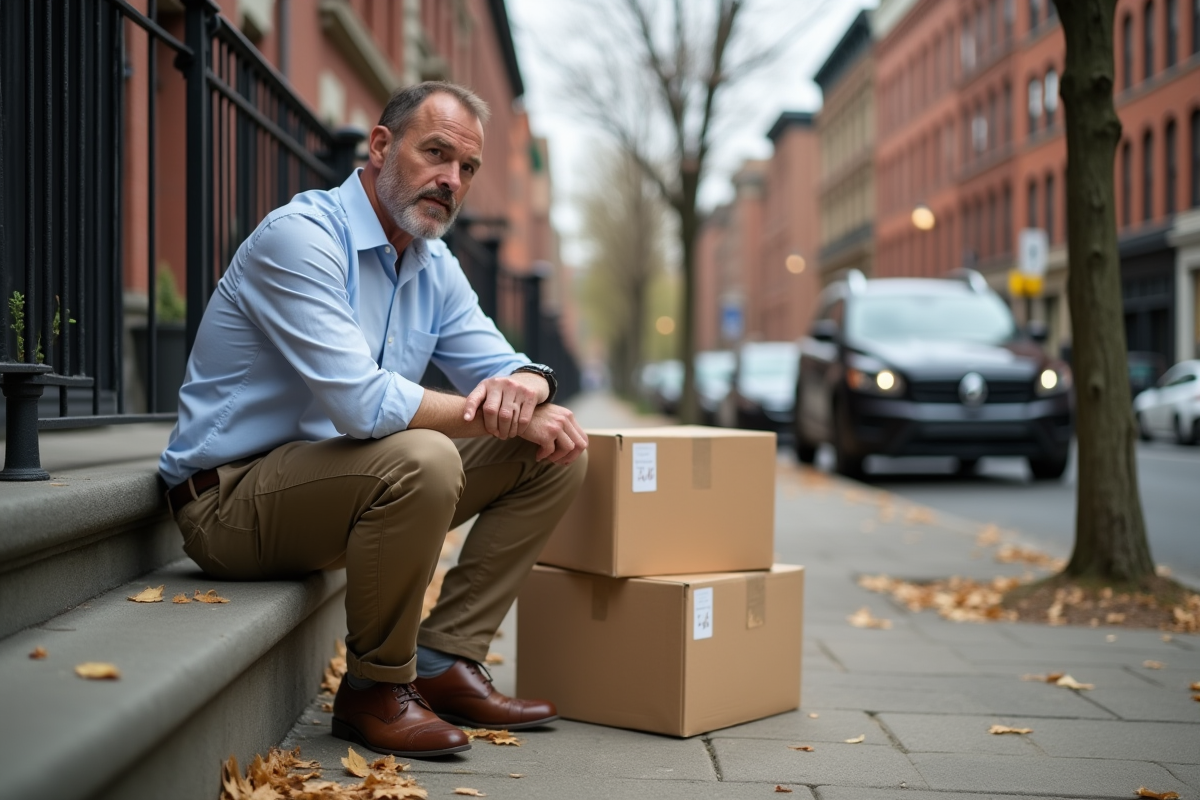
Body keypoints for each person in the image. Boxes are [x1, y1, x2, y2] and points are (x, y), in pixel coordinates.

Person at [159, 81, 589, 759]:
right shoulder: (301, 240)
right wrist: (500, 415)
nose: (451, 180)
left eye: (467, 168)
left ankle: (444, 661)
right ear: (382, 145)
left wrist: (532, 386)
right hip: (229, 505)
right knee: (427, 456)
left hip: (339, 490)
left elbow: (504, 362)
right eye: (437, 153)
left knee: (559, 446)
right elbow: (361, 405)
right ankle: (374, 690)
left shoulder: (431, 263)